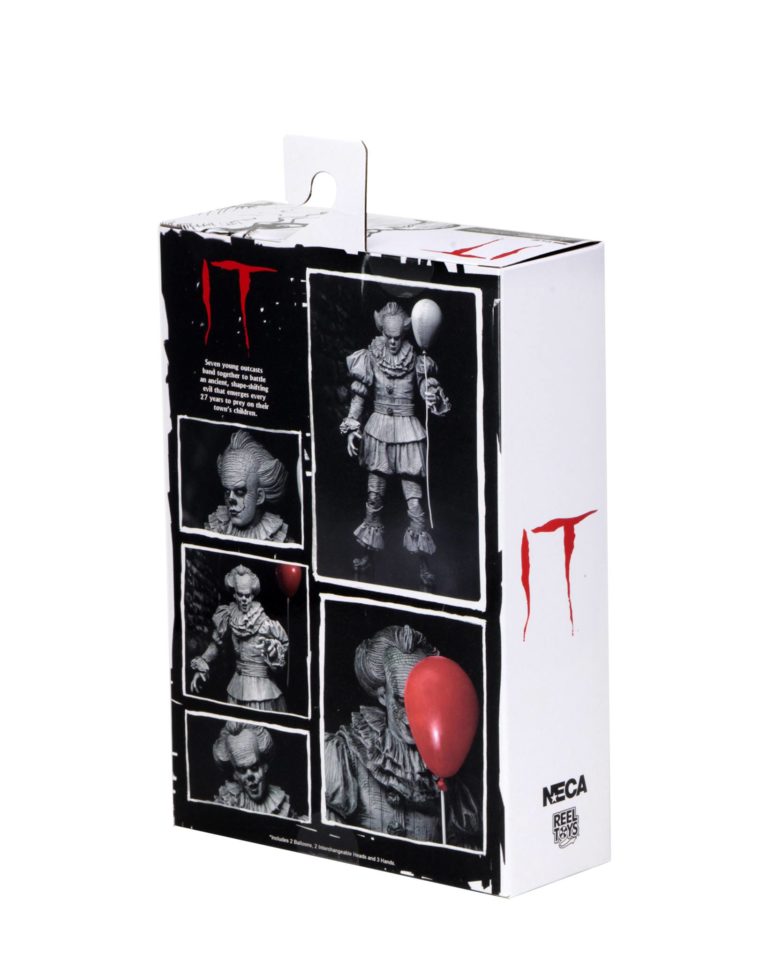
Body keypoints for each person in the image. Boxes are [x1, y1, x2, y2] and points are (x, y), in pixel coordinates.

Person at [324, 625, 480, 847]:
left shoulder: (449, 772)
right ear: (382, 695)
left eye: (425, 702)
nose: (412, 717)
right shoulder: (345, 755)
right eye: (401, 701)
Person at [340, 302, 450, 587]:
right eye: (388, 337)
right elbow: (360, 395)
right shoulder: (370, 356)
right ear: (381, 331)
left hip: (406, 431)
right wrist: (352, 426)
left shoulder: (415, 358)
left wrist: (431, 395)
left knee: (414, 501)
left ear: (405, 334)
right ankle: (367, 556)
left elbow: (425, 386)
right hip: (378, 430)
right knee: (374, 497)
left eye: (397, 337)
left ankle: (424, 564)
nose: (392, 342)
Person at [190, 565, 289, 711]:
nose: (244, 599)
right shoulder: (228, 616)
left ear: (252, 595)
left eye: (247, 595)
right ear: (234, 595)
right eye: (240, 595)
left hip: (261, 692)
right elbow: (216, 644)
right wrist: (202, 665)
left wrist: (274, 653)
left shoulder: (265, 623)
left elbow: (280, 663)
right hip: (236, 688)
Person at [205, 429, 291, 542]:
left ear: (259, 497)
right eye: (227, 491)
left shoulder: (279, 541)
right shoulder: (215, 531)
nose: (230, 499)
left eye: (240, 492)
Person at [212, 721, 294, 817]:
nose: (250, 776)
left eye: (254, 768)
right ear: (235, 774)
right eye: (242, 770)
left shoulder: (281, 803)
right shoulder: (226, 803)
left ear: (264, 765)